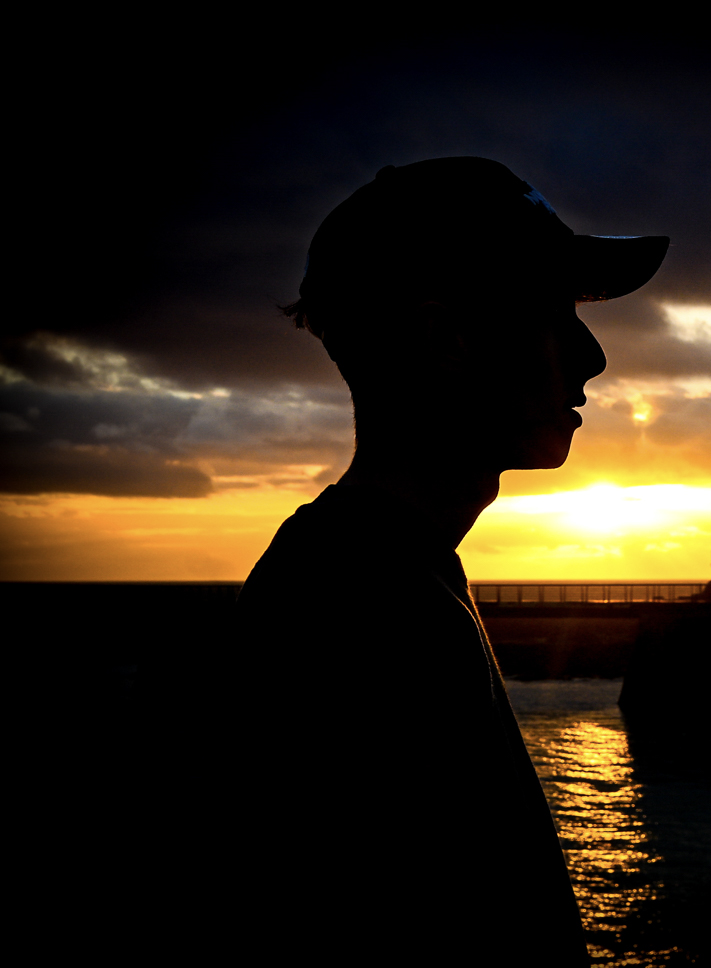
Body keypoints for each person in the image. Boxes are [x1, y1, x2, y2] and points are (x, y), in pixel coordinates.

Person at [230, 158, 668, 963]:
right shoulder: (369, 624)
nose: (593, 357)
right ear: (446, 340)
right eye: (554, 315)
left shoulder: (372, 578)